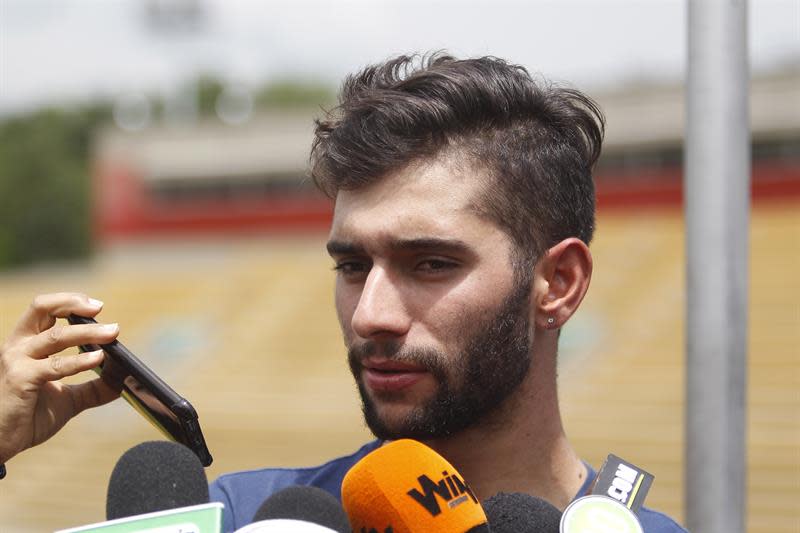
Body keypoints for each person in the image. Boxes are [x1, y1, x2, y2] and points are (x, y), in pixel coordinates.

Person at [0, 53, 687, 532]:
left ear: (557, 284)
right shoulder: (249, 515)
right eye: (353, 265)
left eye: (431, 263)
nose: (371, 314)